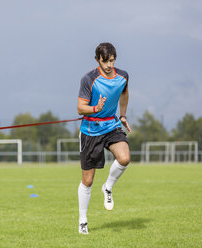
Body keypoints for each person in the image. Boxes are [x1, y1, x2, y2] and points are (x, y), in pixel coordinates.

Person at [77, 42, 132, 234]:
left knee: (124, 158)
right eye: (105, 61)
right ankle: (83, 221)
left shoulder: (123, 76)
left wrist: (123, 115)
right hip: (91, 130)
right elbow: (80, 108)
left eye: (112, 61)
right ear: (97, 60)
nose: (109, 65)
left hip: (111, 125)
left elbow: (124, 93)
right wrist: (95, 108)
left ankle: (107, 188)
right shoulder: (88, 79)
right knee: (88, 180)